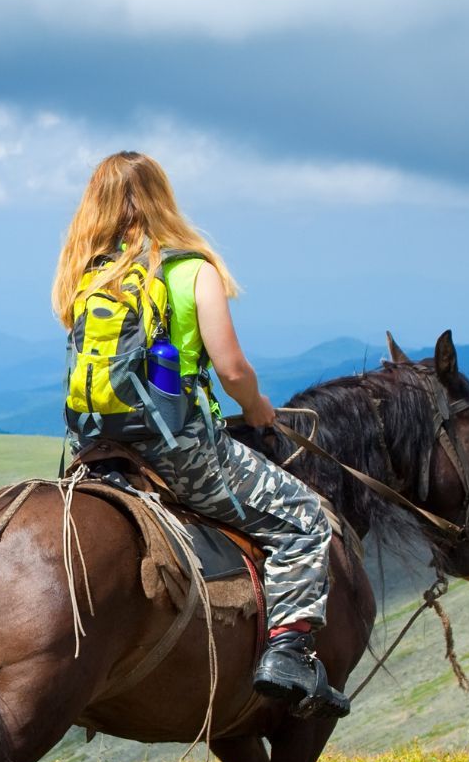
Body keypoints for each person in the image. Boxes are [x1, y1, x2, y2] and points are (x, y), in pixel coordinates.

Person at [53, 151, 343, 714]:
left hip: (101, 451)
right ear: (164, 196)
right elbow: (232, 370)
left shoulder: (88, 276)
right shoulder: (191, 270)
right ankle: (289, 655)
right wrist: (258, 409)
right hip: (179, 452)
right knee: (306, 522)